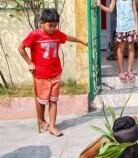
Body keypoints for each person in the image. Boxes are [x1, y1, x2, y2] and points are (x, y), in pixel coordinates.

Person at [18, 9, 88, 137]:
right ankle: (41, 121)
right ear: (41, 23)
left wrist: (82, 41)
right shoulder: (35, 35)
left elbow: (68, 37)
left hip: (55, 72)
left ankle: (52, 126)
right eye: (50, 26)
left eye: (55, 25)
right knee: (42, 101)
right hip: (40, 74)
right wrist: (30, 62)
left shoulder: (57, 34)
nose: (53, 28)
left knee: (53, 100)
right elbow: (21, 47)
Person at [96, 0, 138, 82]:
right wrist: (100, 5)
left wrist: (137, 27)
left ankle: (129, 71)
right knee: (120, 49)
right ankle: (121, 71)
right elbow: (110, 10)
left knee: (131, 49)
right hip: (120, 28)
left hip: (131, 27)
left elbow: (135, 12)